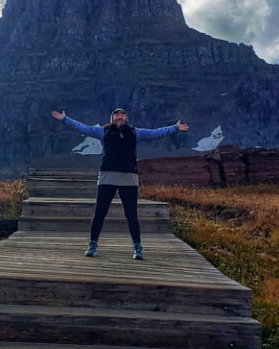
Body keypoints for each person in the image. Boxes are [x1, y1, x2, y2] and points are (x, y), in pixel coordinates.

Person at [51, 108, 189, 259]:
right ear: (112, 118)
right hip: (107, 176)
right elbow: (83, 127)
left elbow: (155, 133)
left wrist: (175, 128)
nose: (119, 116)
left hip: (129, 178)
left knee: (131, 215)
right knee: (100, 213)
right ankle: (92, 244)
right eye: (116, 114)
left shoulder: (135, 132)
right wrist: (65, 119)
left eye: (122, 114)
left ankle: (137, 248)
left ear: (126, 118)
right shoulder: (103, 132)